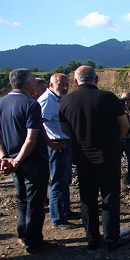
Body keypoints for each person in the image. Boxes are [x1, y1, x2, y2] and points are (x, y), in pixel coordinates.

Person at [59, 66, 130, 251]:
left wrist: (79, 140)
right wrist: (116, 139)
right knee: (110, 198)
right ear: (96, 79)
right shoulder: (108, 97)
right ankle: (111, 238)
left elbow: (64, 129)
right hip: (108, 156)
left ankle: (92, 238)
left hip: (82, 157)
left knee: (87, 198)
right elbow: (124, 125)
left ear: (75, 81)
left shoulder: (66, 101)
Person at [0, 68, 57, 254]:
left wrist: (5, 158)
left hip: (12, 160)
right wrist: (18, 160)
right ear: (28, 84)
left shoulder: (0, 104)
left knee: (22, 200)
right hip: (32, 160)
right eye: (34, 83)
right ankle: (34, 241)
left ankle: (23, 235)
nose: (36, 86)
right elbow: (31, 138)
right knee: (35, 202)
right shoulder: (31, 105)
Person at [38, 73, 80, 229]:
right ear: (51, 85)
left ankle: (65, 211)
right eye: (60, 85)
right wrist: (51, 144)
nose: (64, 87)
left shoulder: (58, 99)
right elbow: (38, 125)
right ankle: (57, 219)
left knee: (65, 180)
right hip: (58, 146)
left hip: (65, 144)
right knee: (57, 182)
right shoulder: (47, 101)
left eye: (66, 84)